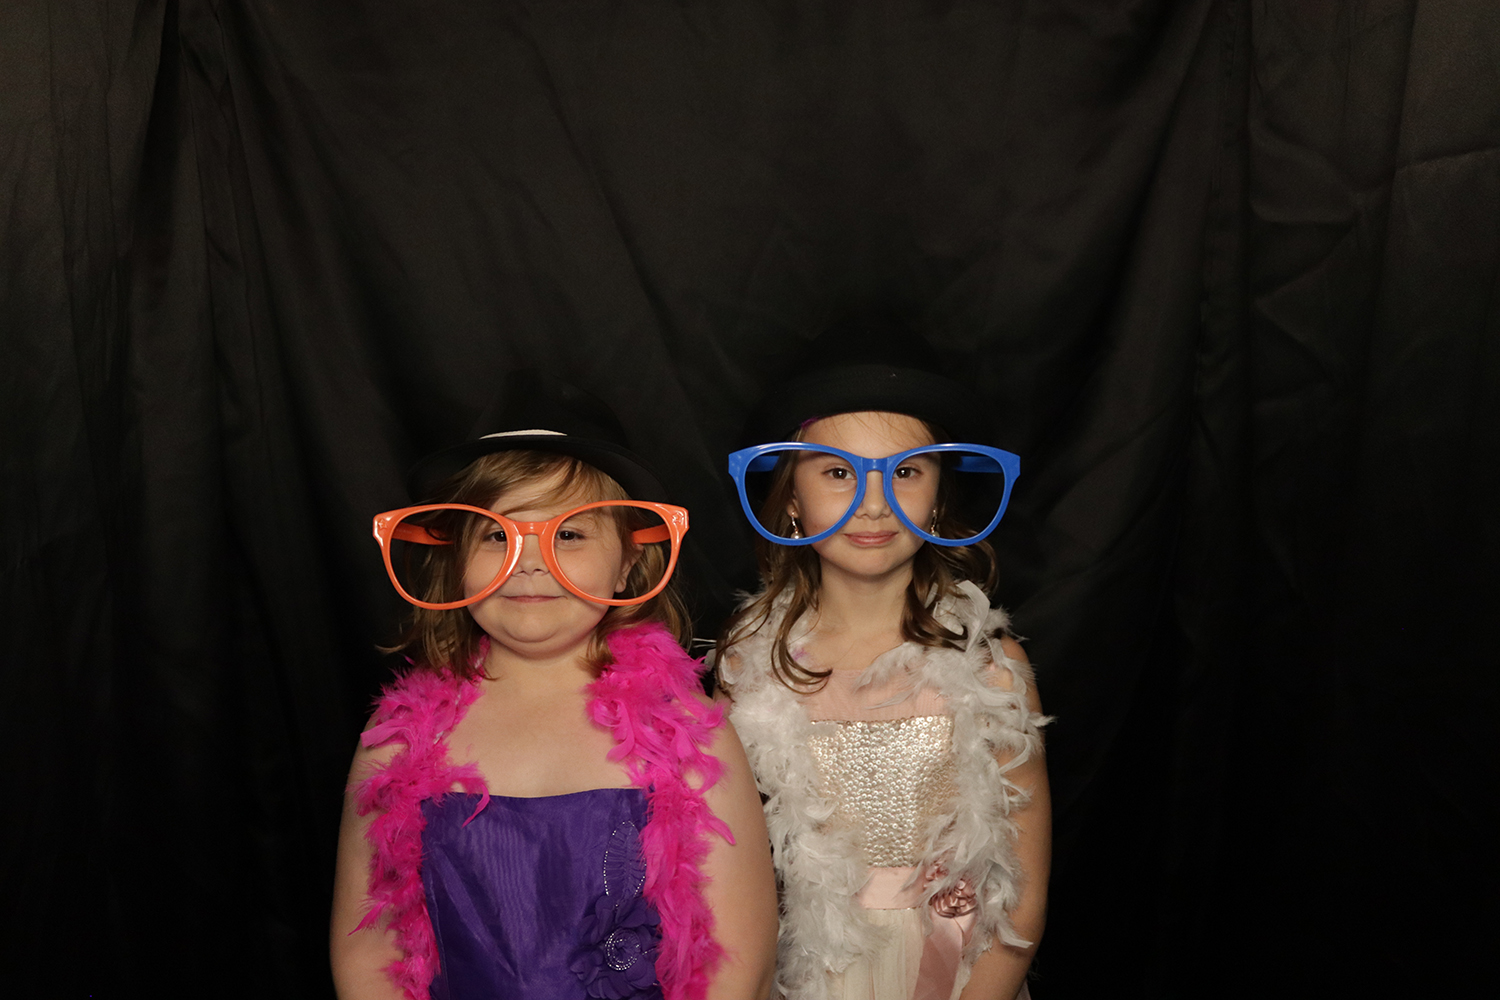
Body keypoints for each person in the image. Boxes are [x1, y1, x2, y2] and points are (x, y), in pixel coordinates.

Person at [331, 373, 779, 1000]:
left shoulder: (689, 734)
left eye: (569, 534)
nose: (530, 562)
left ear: (627, 563)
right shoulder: (397, 743)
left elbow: (740, 963)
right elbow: (369, 953)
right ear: (456, 559)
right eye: (496, 534)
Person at [715, 339, 1050, 1000]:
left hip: (956, 974)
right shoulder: (747, 668)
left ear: (938, 495)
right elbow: (725, 878)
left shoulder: (991, 668)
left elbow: (1024, 896)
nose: (873, 503)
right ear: (791, 498)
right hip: (804, 972)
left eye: (907, 472)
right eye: (838, 472)